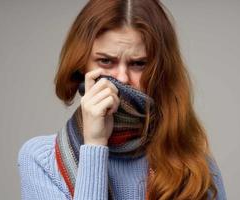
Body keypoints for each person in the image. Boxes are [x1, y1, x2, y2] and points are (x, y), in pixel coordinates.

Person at [17, 0, 227, 199]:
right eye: (106, 61)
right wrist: (95, 145)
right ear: (82, 64)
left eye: (138, 63)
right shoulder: (41, 160)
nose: (122, 78)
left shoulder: (194, 166)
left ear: (160, 71)